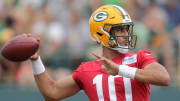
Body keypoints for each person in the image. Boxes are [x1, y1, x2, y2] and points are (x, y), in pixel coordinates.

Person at [29, 5, 170, 101]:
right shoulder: (86, 70)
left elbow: (163, 77)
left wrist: (120, 70)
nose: (126, 34)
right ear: (101, 33)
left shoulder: (139, 57)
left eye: (127, 29)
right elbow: (51, 93)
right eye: (120, 29)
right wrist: (35, 60)